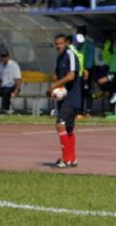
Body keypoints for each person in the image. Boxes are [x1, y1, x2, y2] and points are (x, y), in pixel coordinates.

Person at [49, 33, 82, 169]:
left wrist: (55, 86)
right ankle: (72, 159)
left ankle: (65, 159)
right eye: (56, 44)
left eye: (61, 43)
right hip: (64, 96)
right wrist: (55, 86)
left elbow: (71, 75)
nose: (58, 46)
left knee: (60, 125)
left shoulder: (70, 54)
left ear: (66, 43)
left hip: (72, 96)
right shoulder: (60, 57)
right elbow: (57, 73)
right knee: (68, 128)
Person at [77, 27, 95, 117]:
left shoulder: (89, 44)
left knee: (87, 91)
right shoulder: (76, 44)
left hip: (87, 71)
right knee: (79, 91)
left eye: (81, 32)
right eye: (78, 32)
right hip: (78, 72)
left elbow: (91, 58)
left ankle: (88, 111)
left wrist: (87, 70)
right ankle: (79, 111)